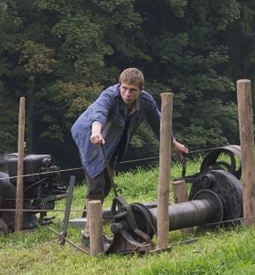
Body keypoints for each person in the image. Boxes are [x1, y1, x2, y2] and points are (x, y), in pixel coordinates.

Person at [70, 67, 188, 202]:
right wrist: (96, 132)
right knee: (97, 179)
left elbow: (159, 124)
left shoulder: (146, 102)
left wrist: (173, 143)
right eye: (124, 88)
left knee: (108, 181)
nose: (127, 94)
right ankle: (90, 221)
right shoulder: (109, 95)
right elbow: (99, 113)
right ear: (119, 85)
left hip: (113, 136)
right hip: (89, 132)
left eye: (132, 90)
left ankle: (92, 215)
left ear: (141, 90)